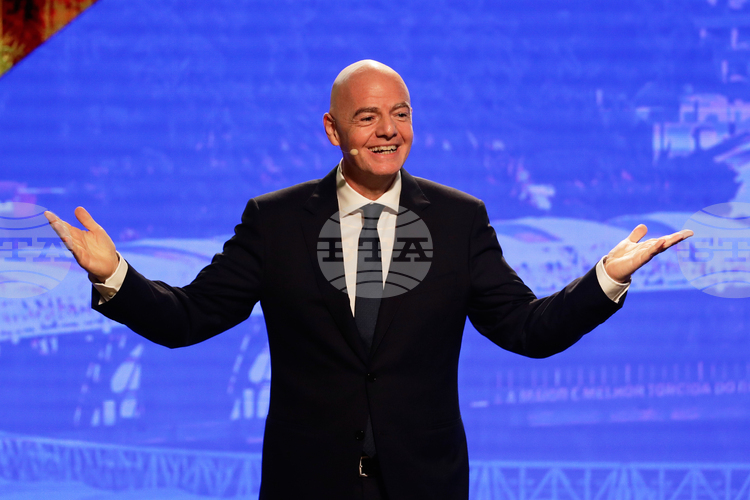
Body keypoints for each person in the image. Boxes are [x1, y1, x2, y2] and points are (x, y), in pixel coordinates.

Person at [45, 60, 692, 500]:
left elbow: (527, 329)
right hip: (307, 483)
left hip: (425, 483)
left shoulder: (458, 219)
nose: (388, 131)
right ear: (333, 129)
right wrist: (114, 274)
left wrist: (605, 278)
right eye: (368, 117)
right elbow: (190, 318)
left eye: (401, 114)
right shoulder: (275, 221)